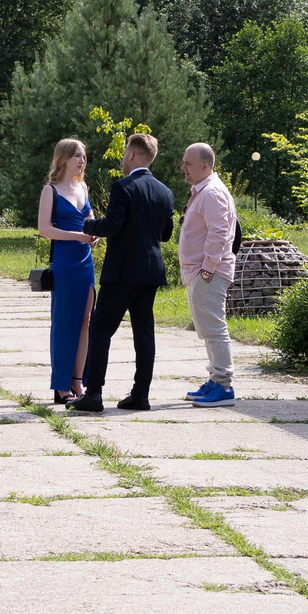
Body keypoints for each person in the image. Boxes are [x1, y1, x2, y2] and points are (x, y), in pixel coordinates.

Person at [73, 133, 175, 413]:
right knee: (144, 334)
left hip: (122, 272)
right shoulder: (165, 192)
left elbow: (113, 226)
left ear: (131, 154)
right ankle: (140, 395)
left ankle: (93, 394)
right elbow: (166, 234)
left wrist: (89, 225)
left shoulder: (123, 187)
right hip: (150, 271)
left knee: (101, 329)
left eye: (123, 154)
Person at [35, 137, 97, 405]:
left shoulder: (83, 186)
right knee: (63, 324)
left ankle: (78, 381)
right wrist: (78, 236)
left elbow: (90, 217)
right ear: (63, 158)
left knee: (85, 322)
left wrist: (94, 231)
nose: (81, 160)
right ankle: (61, 385)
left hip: (86, 261)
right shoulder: (50, 190)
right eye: (76, 156)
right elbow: (44, 229)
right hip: (65, 262)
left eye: (83, 156)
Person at [176, 143, 238, 407]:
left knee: (213, 328)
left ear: (205, 166)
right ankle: (215, 380)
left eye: (188, 164)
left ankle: (223, 385)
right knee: (207, 329)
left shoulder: (212, 193)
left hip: (208, 273)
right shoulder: (204, 191)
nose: (183, 168)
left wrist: (207, 268)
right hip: (201, 272)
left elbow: (219, 233)